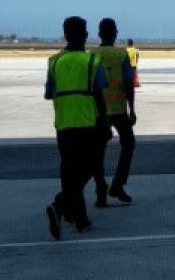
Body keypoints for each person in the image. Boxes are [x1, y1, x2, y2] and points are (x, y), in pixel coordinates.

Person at [44, 16, 108, 239]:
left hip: (63, 124)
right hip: (88, 123)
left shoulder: (54, 62)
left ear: (65, 35)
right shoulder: (92, 61)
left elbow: (48, 93)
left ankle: (79, 220)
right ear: (86, 35)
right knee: (91, 167)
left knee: (69, 171)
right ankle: (61, 203)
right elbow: (99, 93)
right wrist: (106, 122)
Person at [92, 18, 136, 207]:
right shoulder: (122, 55)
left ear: (99, 34)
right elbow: (128, 84)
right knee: (128, 144)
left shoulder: (91, 56)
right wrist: (132, 109)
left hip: (98, 113)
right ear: (115, 33)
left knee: (98, 152)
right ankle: (117, 184)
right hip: (118, 109)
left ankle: (100, 192)